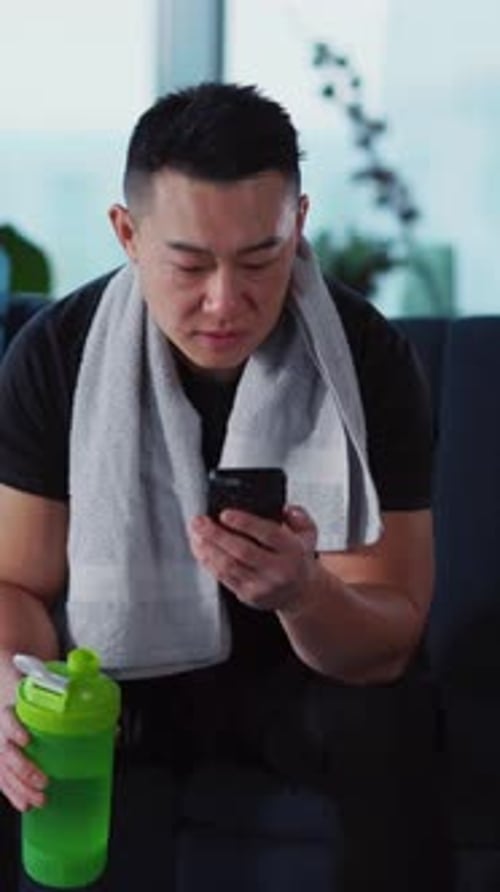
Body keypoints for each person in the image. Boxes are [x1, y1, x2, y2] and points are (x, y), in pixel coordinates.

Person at [0, 82, 448, 891]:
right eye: (189, 262)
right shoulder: (54, 355)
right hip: (112, 672)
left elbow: (390, 639)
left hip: (291, 685)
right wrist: (12, 681)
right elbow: (15, 585)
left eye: (259, 261)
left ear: (298, 224)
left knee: (392, 720)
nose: (224, 302)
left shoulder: (369, 359)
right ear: (127, 234)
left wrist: (303, 593)